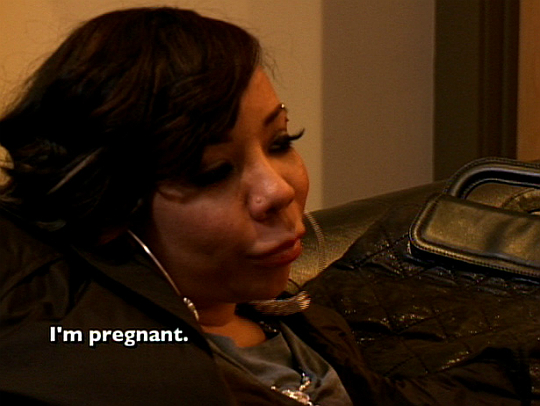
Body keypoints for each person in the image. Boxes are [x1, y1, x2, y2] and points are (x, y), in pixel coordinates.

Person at [0, 7, 525, 406]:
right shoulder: (119, 359)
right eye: (212, 172)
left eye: (280, 142)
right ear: (108, 202)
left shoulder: (277, 316)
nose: (278, 191)